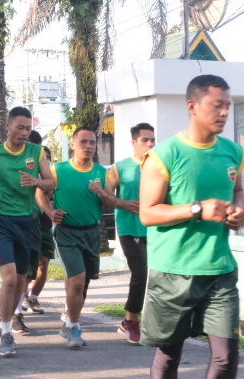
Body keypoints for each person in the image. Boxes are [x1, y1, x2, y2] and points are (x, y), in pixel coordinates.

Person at [138, 75, 244, 379]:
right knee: (169, 354)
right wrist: (197, 209)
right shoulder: (163, 155)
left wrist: (238, 210)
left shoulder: (234, 152)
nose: (224, 112)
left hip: (219, 269)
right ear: (192, 106)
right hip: (173, 270)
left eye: (227, 106)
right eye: (216, 105)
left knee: (226, 358)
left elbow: (238, 190)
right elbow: (147, 213)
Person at [0, 106, 55, 357]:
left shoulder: (36, 152)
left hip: (26, 221)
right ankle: (6, 331)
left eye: (29, 128)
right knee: (8, 278)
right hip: (0, 221)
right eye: (20, 127)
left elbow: (50, 182)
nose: (25, 133)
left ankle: (3, 323)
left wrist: (36, 181)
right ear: (8, 126)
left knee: (20, 279)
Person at [38, 127, 111, 350]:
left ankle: (69, 322)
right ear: (72, 144)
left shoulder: (102, 172)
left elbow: (110, 202)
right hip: (66, 232)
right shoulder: (58, 170)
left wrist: (102, 193)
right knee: (77, 280)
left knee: (81, 283)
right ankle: (74, 326)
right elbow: (39, 192)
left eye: (92, 142)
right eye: (83, 142)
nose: (88, 146)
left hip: (91, 232)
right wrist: (50, 212)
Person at [104, 122, 156, 345]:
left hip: (156, 229)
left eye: (153, 140)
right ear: (134, 142)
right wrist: (123, 203)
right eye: (145, 140)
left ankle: (154, 321)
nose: (150, 144)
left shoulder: (161, 166)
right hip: (130, 228)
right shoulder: (120, 167)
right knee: (141, 272)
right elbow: (106, 196)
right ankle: (130, 321)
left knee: (160, 275)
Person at [13, 130, 46, 334]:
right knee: (15, 273)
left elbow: (50, 185)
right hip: (7, 221)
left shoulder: (38, 161)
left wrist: (38, 182)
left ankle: (16, 313)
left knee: (26, 272)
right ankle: (13, 315)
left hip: (33, 221)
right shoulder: (1, 158)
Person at [24, 146, 56, 317]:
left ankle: (33, 298)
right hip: (29, 226)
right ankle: (22, 298)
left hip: (46, 227)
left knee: (43, 264)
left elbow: (54, 195)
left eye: (47, 157)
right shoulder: (28, 176)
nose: (45, 160)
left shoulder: (52, 178)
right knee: (27, 267)